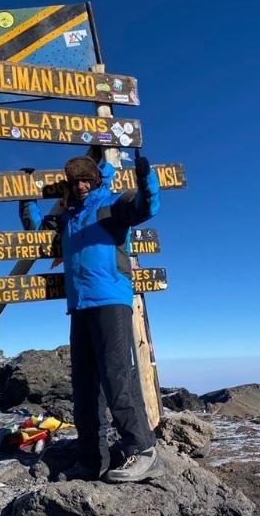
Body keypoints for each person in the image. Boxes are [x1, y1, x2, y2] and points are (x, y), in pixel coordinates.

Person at [18, 150, 164, 483]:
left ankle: (143, 450)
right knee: (84, 389)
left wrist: (145, 178)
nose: (81, 185)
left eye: (86, 178)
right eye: (75, 181)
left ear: (96, 180)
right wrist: (26, 194)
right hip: (80, 306)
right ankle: (91, 462)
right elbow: (38, 229)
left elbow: (146, 207)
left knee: (116, 376)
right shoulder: (69, 217)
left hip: (111, 300)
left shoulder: (111, 205)